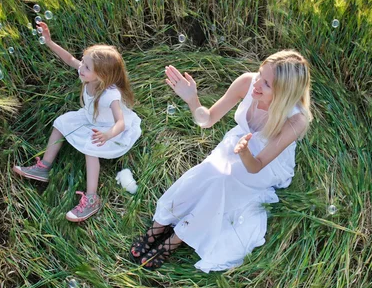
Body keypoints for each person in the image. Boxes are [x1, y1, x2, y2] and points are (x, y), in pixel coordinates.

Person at [130, 50, 313, 271]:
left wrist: (244, 153)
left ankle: (175, 240)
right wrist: (192, 99)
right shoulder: (247, 82)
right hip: (238, 142)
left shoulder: (296, 120)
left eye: (266, 84)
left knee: (223, 180)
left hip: (265, 163)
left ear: (284, 93)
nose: (257, 83)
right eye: (260, 74)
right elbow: (206, 120)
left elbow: (257, 166)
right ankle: (158, 226)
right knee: (208, 170)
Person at [13, 22, 141, 222]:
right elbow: (69, 58)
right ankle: (43, 167)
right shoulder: (88, 76)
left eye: (86, 66)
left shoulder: (110, 94)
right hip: (90, 118)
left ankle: (92, 198)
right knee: (61, 122)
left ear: (101, 75)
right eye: (83, 62)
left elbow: (121, 123)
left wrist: (107, 135)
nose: (81, 67)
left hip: (111, 130)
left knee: (91, 148)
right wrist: (49, 41)